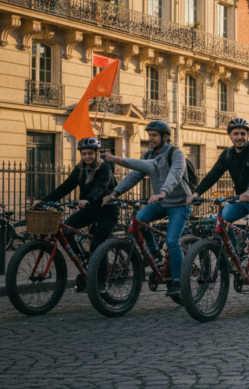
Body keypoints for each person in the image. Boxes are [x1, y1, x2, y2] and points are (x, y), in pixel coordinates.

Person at [187, 118, 249, 301]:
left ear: (248, 135)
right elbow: (213, 174)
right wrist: (196, 193)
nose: (239, 137)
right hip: (241, 201)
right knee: (220, 224)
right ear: (230, 136)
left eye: (243, 133)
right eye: (236, 134)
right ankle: (237, 256)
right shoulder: (227, 155)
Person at [102, 121, 192, 298]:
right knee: (138, 221)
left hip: (179, 203)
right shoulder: (149, 154)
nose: (150, 138)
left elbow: (176, 173)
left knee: (172, 241)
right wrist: (114, 193)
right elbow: (136, 174)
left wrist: (163, 192)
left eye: (154, 135)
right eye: (149, 135)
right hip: (161, 202)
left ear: (165, 137)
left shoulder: (176, 153)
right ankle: (155, 253)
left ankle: (179, 282)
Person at [37, 137, 119, 291]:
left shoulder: (105, 168)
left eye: (90, 153)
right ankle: (84, 260)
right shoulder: (80, 169)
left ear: (96, 153)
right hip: (89, 210)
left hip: (107, 211)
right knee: (66, 230)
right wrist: (43, 201)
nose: (87, 156)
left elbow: (101, 187)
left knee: (97, 244)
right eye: (84, 154)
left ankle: (101, 282)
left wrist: (87, 199)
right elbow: (65, 187)